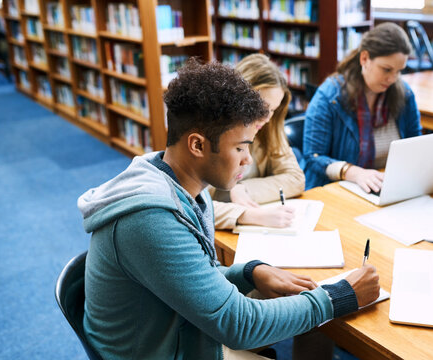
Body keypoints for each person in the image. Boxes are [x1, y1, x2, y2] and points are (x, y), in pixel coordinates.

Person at [77, 60, 381, 360]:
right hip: (164, 350)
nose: (247, 159)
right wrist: (338, 297)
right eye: (240, 147)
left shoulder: (182, 185)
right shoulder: (150, 220)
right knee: (315, 310)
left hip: (176, 333)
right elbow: (239, 325)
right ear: (197, 145)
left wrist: (249, 272)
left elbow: (195, 274)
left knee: (304, 310)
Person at [303, 22, 422, 191]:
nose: (393, 79)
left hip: (387, 187)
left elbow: (415, 146)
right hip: (337, 190)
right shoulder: (330, 96)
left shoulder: (404, 94)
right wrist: (352, 172)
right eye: (387, 69)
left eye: (399, 71)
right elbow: (312, 158)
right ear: (364, 58)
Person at [209, 54, 305, 230]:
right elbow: (190, 207)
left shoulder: (267, 128)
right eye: (262, 107)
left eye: (273, 110)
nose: (267, 118)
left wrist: (243, 188)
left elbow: (295, 178)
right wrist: (247, 215)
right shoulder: (210, 132)